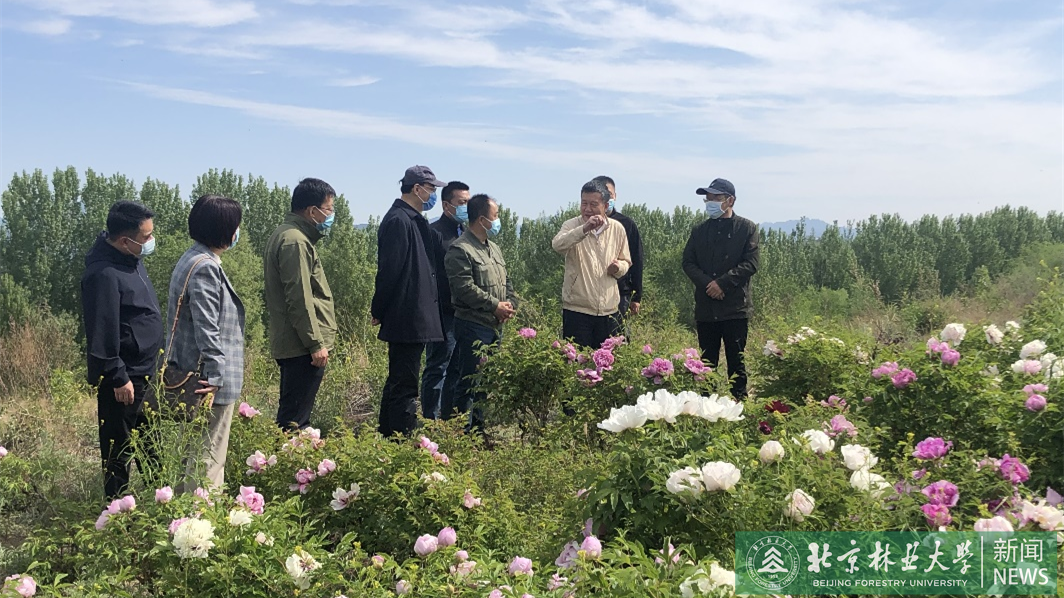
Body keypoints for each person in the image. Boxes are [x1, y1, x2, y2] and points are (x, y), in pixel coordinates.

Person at [81, 200, 164, 498]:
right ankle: (118, 519)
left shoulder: (132, 262)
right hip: (124, 381)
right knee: (119, 455)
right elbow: (102, 330)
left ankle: (163, 512)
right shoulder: (103, 274)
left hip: (145, 374)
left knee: (152, 451)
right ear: (124, 240)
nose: (150, 242)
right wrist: (117, 375)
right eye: (145, 237)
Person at [166, 195, 246, 491]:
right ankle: (200, 528)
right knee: (208, 458)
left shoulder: (191, 258)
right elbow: (207, 326)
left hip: (189, 375)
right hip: (205, 383)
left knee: (190, 456)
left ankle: (181, 522)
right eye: (236, 225)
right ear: (225, 229)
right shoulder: (205, 267)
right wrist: (215, 375)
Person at [371, 165, 449, 437]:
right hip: (406, 315)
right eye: (431, 189)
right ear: (417, 189)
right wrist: (378, 309)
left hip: (414, 315)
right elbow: (389, 271)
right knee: (405, 385)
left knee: (399, 381)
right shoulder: (398, 221)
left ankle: (386, 436)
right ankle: (402, 441)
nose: (433, 195)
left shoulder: (414, 220)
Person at [263, 178, 338, 431]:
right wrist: (315, 343)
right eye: (328, 209)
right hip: (301, 346)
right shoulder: (295, 241)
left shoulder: (289, 235)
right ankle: (288, 468)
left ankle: (285, 466)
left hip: (297, 343)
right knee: (295, 422)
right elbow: (300, 297)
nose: (331, 215)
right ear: (311, 210)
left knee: (293, 417)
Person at [440, 194, 517, 430]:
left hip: (495, 325)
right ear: (482, 219)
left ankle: (479, 429)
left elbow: (506, 281)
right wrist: (494, 305)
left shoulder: (493, 248)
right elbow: (463, 288)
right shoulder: (460, 249)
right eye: (495, 216)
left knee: (486, 382)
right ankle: (462, 433)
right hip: (473, 325)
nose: (498, 220)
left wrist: (509, 304)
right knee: (469, 382)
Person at [681, 178, 760, 399]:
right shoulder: (700, 231)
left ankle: (740, 404)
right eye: (708, 199)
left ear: (730, 200)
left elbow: (750, 263)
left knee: (737, 362)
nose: (710, 203)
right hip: (706, 307)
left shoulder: (746, 228)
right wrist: (708, 284)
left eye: (716, 198)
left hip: (735, 307)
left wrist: (722, 283)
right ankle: (707, 407)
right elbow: (688, 262)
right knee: (706, 365)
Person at [551, 179, 631, 350]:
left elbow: (626, 261)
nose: (587, 209)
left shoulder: (617, 229)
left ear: (606, 205)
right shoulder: (572, 225)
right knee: (576, 364)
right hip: (577, 310)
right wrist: (584, 229)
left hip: (609, 310)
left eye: (593, 204)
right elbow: (558, 245)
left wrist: (618, 268)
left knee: (607, 365)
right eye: (584, 203)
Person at [421, 181, 470, 419]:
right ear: (447, 205)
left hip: (464, 313)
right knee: (437, 367)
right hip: (441, 312)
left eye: (468, 203)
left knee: (458, 369)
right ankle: (431, 420)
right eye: (462, 203)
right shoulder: (434, 232)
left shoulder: (466, 233)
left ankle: (450, 421)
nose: (466, 208)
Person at [594, 175, 644, 324]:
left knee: (618, 339)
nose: (606, 198)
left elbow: (637, 259)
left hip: (621, 293)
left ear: (615, 195)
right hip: (591, 293)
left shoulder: (626, 224)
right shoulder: (584, 225)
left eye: (609, 194)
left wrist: (636, 297)